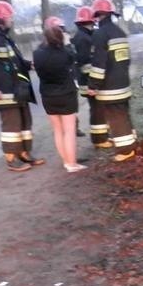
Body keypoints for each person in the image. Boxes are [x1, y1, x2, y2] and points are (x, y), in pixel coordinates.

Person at [0, 0, 45, 172]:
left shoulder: (4, 38)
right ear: (1, 18)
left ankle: (24, 153)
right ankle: (11, 158)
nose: (11, 20)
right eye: (10, 17)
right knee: (11, 126)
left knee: (24, 122)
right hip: (5, 92)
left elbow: (14, 61)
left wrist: (29, 64)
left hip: (18, 90)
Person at [32, 17, 86, 173]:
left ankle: (66, 161)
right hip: (66, 94)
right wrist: (67, 42)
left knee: (57, 130)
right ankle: (72, 163)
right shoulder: (65, 53)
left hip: (48, 95)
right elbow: (75, 58)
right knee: (69, 130)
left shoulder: (37, 54)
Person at [88, 0, 137, 161]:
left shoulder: (100, 34)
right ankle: (132, 142)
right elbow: (126, 59)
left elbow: (98, 64)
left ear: (97, 15)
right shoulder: (120, 32)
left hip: (109, 87)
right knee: (124, 114)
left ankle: (125, 151)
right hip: (123, 82)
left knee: (116, 118)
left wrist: (93, 85)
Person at [71, 6, 111, 149]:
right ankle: (99, 139)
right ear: (91, 20)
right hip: (89, 82)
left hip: (89, 80)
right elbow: (86, 63)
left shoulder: (83, 36)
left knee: (99, 108)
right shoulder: (83, 39)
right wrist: (94, 83)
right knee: (97, 110)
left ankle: (103, 135)